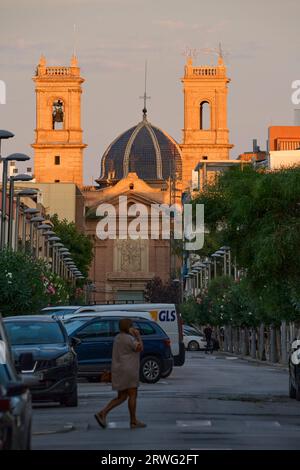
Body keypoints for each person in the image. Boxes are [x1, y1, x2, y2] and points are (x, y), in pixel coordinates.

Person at [94, 318, 146, 429]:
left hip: (119, 370)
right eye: (131, 326)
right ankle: (133, 421)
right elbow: (140, 348)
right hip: (129, 370)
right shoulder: (129, 339)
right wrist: (138, 336)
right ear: (128, 327)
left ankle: (102, 413)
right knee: (132, 394)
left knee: (121, 396)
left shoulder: (117, 337)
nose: (133, 328)